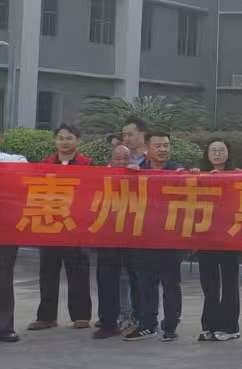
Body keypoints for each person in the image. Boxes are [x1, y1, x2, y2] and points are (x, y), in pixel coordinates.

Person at [29, 125, 94, 331]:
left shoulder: (88, 164)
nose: (64, 142)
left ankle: (81, 316)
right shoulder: (45, 164)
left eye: (69, 138)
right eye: (60, 138)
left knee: (78, 272)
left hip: (76, 226)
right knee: (48, 272)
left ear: (78, 140)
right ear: (55, 141)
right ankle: (46, 317)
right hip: (50, 225)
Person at [127, 132, 185, 341]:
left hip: (170, 237)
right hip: (143, 236)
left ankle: (170, 326)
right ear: (147, 149)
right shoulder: (135, 172)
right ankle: (147, 324)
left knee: (171, 284)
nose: (163, 149)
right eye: (158, 146)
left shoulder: (179, 172)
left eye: (166, 145)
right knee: (145, 283)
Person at [195, 139, 242, 342]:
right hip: (206, 236)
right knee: (209, 284)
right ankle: (209, 325)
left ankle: (230, 326)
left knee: (229, 282)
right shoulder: (198, 175)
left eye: (221, 150)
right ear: (207, 154)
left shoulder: (239, 175)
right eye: (213, 150)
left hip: (230, 236)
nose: (217, 153)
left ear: (228, 153)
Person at [93, 143, 141, 338]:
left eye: (125, 158)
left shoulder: (139, 175)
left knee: (137, 279)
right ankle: (108, 322)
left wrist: (138, 175)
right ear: (111, 160)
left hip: (133, 236)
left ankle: (139, 319)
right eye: (117, 158)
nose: (122, 162)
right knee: (107, 281)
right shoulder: (100, 177)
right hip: (107, 237)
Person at [0, 148, 29, 343]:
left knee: (3, 278)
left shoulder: (11, 160)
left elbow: (25, 167)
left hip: (5, 230)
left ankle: (4, 327)